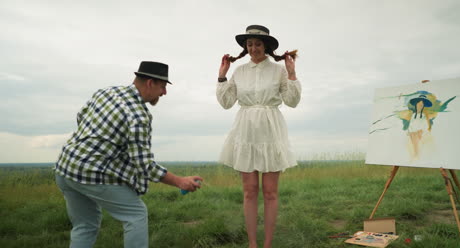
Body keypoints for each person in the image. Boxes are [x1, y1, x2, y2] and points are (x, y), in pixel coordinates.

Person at [54, 61, 203, 248]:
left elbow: (81, 117)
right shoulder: (138, 115)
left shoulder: (106, 92)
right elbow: (144, 165)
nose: (164, 92)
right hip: (90, 173)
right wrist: (179, 181)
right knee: (136, 215)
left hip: (64, 168)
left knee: (85, 225)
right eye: (163, 87)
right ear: (150, 83)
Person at [216, 25, 301, 248]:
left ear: (266, 46)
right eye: (250, 44)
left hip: (271, 130)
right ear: (246, 47)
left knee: (270, 192)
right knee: (250, 190)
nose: (253, 48)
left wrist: (291, 73)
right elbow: (226, 103)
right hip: (245, 131)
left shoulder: (278, 71)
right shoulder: (239, 72)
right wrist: (222, 76)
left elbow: (292, 101)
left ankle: (268, 244)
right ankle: (253, 243)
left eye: (258, 44)